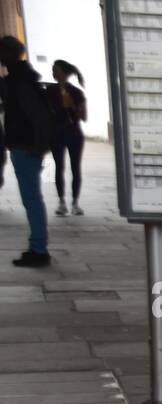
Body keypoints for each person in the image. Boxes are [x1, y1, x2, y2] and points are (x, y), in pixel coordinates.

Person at [1, 36, 54, 267]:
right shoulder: (23, 78)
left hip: (25, 147)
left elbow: (37, 117)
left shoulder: (18, 82)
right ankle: (37, 246)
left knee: (32, 199)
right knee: (33, 199)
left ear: (8, 55)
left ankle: (38, 249)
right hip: (26, 146)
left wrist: (37, 147)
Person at [48, 59, 87, 216]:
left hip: (74, 134)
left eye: (56, 70)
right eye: (52, 70)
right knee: (58, 167)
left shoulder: (77, 93)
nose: (53, 73)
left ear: (64, 73)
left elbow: (83, 117)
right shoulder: (49, 91)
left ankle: (75, 203)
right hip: (56, 134)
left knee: (75, 167)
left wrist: (72, 106)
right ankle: (61, 202)